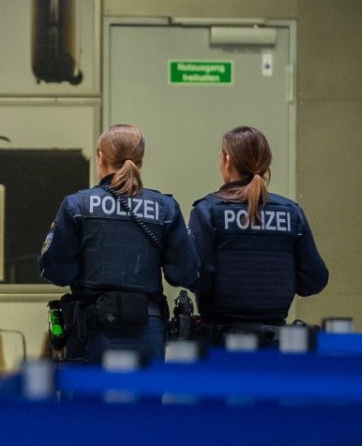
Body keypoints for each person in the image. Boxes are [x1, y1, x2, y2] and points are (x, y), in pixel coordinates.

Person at [39, 124, 199, 364]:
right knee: (145, 391)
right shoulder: (165, 208)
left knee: (91, 391)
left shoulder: (77, 205)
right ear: (140, 162)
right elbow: (184, 274)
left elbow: (56, 271)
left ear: (100, 158)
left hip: (92, 333)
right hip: (148, 331)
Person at [188, 125, 328, 331]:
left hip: (220, 339)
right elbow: (314, 280)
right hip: (275, 339)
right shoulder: (291, 213)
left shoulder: (208, 211)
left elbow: (195, 277)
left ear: (227, 160)